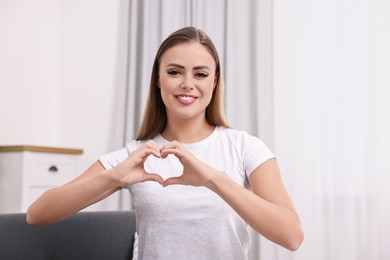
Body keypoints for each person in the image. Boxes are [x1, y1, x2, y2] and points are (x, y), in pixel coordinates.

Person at [27, 26, 303, 259]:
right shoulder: (134, 155)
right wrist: (113, 178)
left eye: (200, 74)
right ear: (158, 80)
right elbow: (37, 215)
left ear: (215, 81)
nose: (187, 83)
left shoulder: (245, 148)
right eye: (174, 72)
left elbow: (291, 236)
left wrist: (214, 180)